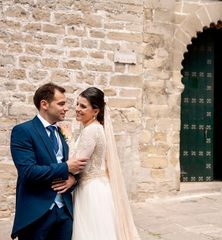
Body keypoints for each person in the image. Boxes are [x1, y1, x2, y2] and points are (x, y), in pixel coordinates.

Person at [10, 83, 88, 240]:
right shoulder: (23, 131)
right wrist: (65, 167)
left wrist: (73, 179)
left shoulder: (61, 133)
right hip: (37, 214)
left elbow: (76, 168)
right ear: (44, 104)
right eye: (61, 103)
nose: (66, 108)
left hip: (65, 213)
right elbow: (28, 172)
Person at [62, 87, 140, 240]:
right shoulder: (94, 128)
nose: (77, 109)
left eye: (83, 106)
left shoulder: (92, 130)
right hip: (96, 186)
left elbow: (77, 165)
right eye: (77, 104)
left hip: (91, 190)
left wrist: (68, 138)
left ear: (96, 111)